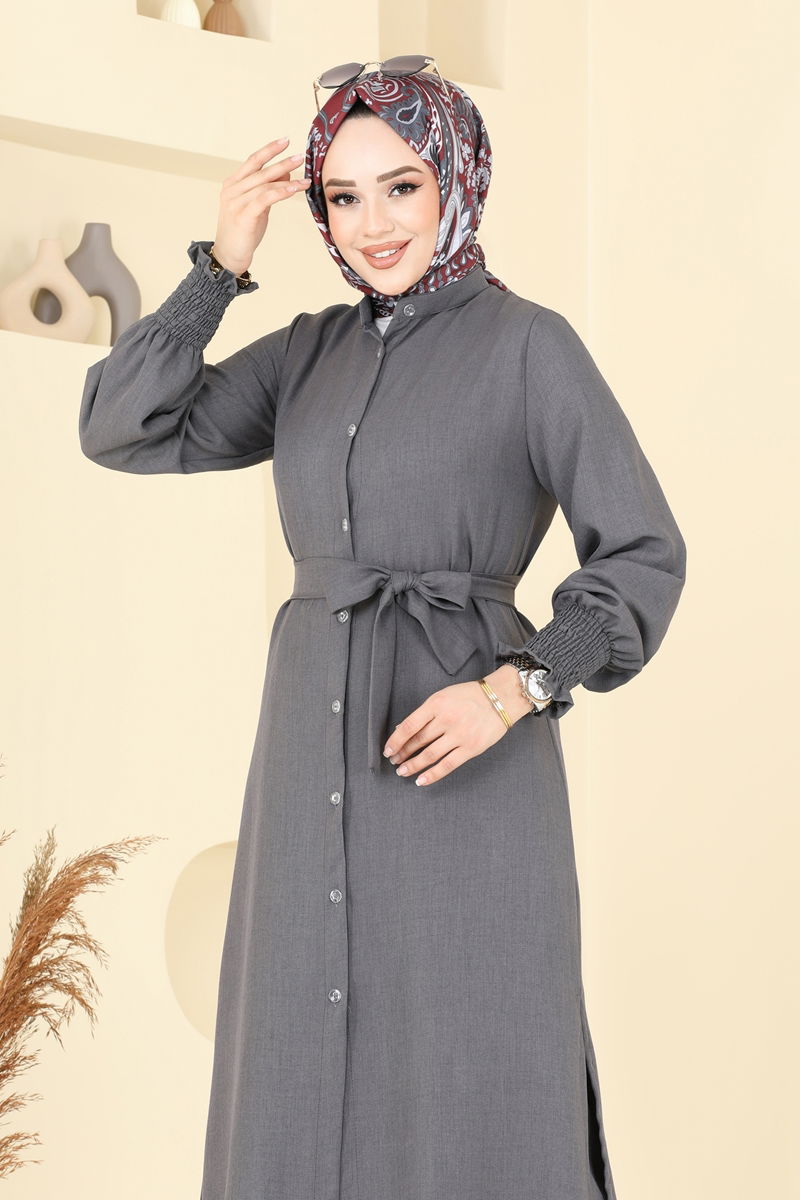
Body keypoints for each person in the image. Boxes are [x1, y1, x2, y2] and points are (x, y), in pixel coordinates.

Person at [79, 62, 686, 1200]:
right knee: (296, 1043)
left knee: (473, 1050)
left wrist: (516, 687)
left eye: (401, 186)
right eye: (343, 197)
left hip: (464, 762)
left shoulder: (530, 346)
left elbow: (643, 551)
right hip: (309, 755)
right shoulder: (306, 352)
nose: (373, 225)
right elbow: (122, 427)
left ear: (454, 179)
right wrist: (220, 267)